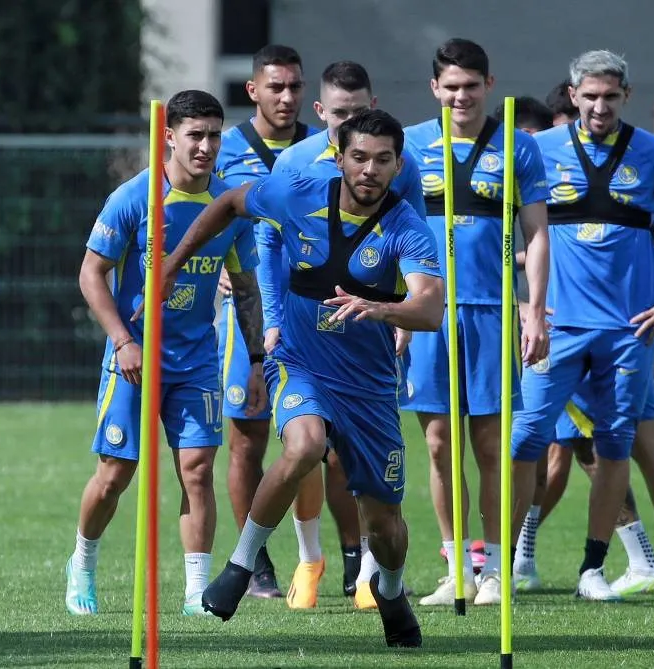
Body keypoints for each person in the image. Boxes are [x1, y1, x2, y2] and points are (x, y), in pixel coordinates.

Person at [161, 109, 443, 648]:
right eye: (359, 157)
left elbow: (430, 308)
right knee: (304, 444)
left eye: (383, 161)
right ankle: (241, 566)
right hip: (299, 361)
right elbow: (227, 203)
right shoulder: (296, 191)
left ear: (398, 165)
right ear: (339, 157)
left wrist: (381, 310)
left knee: (384, 524)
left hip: (369, 386)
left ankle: (389, 588)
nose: (369, 170)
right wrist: (174, 262)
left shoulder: (406, 225)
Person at [512, 50, 654, 601]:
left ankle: (592, 569)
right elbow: (489, 226)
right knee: (526, 440)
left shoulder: (653, 152)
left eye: (610, 97)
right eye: (590, 97)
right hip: (557, 330)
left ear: (626, 97)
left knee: (615, 446)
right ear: (573, 94)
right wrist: (523, 304)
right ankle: (499, 562)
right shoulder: (537, 151)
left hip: (628, 333)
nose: (600, 107)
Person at [64, 90, 266, 617]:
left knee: (197, 471)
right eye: (195, 135)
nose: (205, 146)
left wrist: (259, 359)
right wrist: (124, 341)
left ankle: (196, 591)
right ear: (169, 137)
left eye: (214, 135)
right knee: (115, 476)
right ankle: (82, 563)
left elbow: (246, 287)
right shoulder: (134, 197)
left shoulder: (230, 206)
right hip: (134, 358)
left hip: (197, 359)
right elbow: (91, 273)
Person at [270, 60, 426, 609]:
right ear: (323, 117)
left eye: (361, 113)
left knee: (352, 462)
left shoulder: (391, 164)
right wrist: (269, 317)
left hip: (367, 336)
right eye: (342, 117)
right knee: (304, 445)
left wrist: (398, 312)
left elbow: (415, 237)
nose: (354, 125)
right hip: (298, 334)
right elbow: (267, 241)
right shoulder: (294, 165)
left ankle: (365, 568)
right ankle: (309, 557)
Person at [403, 38, 550, 607]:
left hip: (491, 311)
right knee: (439, 443)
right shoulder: (411, 145)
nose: (461, 96)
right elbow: (394, 230)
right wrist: (397, 307)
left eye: (471, 86)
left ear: (489, 85)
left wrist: (533, 310)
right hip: (429, 314)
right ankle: (457, 566)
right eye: (450, 86)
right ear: (435, 89)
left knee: (491, 445)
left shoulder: (518, 144)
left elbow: (536, 234)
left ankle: (494, 569)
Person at [213, 44, 321, 599]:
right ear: (253, 89)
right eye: (275, 86)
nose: (286, 96)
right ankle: (256, 566)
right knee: (248, 439)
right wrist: (213, 274)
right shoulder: (226, 148)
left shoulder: (322, 148)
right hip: (245, 316)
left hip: (310, 312)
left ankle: (335, 560)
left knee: (318, 441)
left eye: (295, 86)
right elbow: (196, 212)